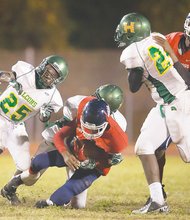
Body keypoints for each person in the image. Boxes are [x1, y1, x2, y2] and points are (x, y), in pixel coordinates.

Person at [1, 84, 127, 208]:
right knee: (32, 175)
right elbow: (64, 133)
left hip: (80, 152)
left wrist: (108, 157)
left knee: (77, 204)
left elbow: (108, 152)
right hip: (60, 142)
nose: (94, 102)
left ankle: (58, 200)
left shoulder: (118, 125)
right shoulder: (79, 103)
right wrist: (65, 152)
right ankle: (11, 187)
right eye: (95, 98)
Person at [114, 12, 190, 214]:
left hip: (180, 102)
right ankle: (158, 201)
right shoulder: (161, 38)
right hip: (166, 103)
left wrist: (137, 71)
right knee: (144, 146)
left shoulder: (135, 51)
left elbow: (133, 87)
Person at [0, 55, 69, 205]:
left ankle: (9, 189)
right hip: (1, 114)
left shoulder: (53, 97)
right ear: (43, 65)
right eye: (49, 69)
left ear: (58, 79)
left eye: (54, 74)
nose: (49, 74)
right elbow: (4, 75)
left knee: (26, 168)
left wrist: (45, 114)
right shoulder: (24, 70)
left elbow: (44, 119)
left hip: (16, 125)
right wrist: (9, 78)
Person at [153, 12, 190, 196]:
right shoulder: (172, 39)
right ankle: (158, 192)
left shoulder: (169, 43)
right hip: (171, 102)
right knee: (156, 147)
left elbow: (188, 81)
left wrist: (170, 53)